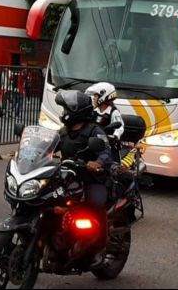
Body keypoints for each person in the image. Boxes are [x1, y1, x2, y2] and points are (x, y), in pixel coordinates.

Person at [54, 90, 116, 257]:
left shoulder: (95, 131)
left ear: (76, 112)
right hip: (68, 178)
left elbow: (105, 151)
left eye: (67, 110)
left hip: (91, 178)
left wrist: (97, 163)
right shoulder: (64, 131)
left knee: (95, 203)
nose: (64, 113)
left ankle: (100, 244)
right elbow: (50, 145)